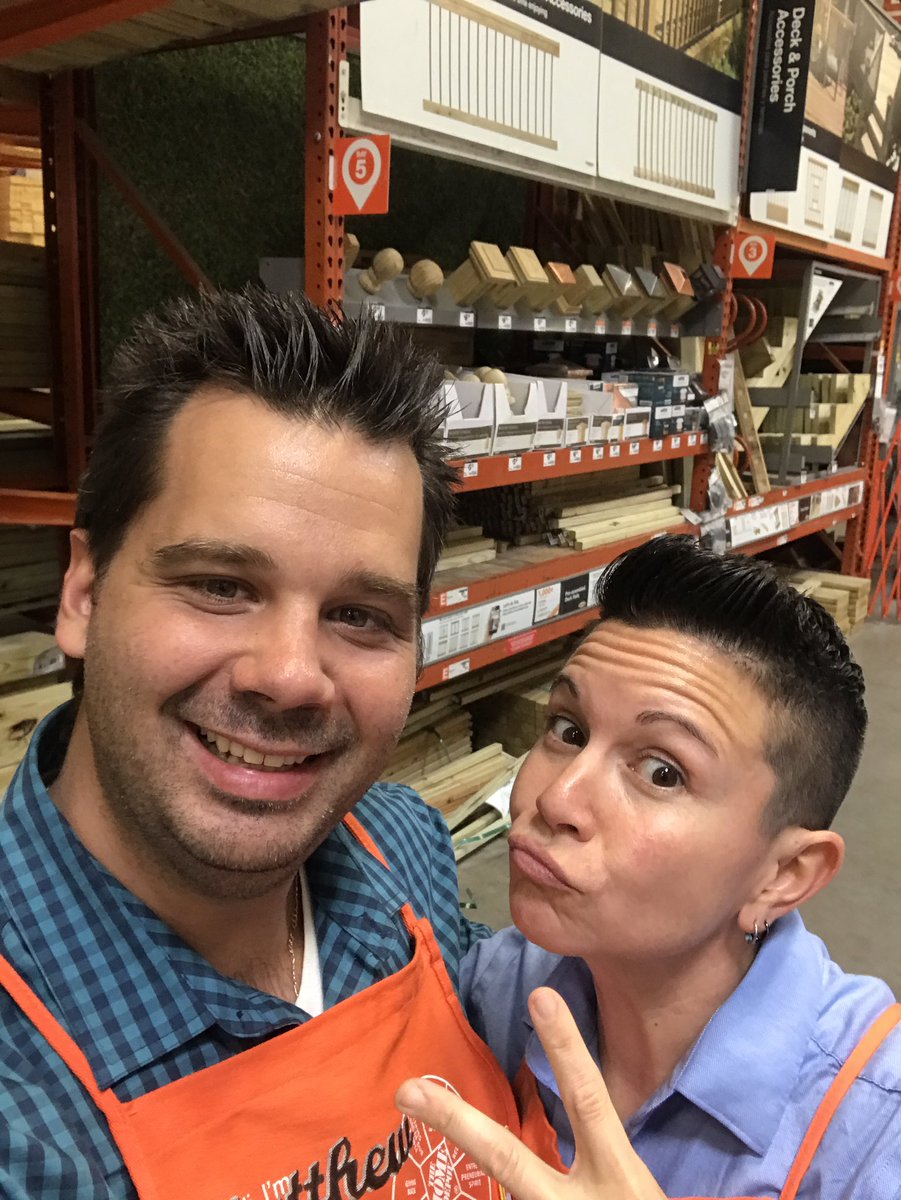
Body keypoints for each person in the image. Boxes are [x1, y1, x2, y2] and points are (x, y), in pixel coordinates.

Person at [0, 287, 520, 1200]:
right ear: (82, 593)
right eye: (219, 585)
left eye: (359, 616)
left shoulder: (399, 845)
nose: (288, 676)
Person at [396, 536, 901, 1200]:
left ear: (783, 876)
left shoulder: (871, 1124)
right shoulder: (499, 989)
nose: (555, 798)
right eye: (567, 730)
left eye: (661, 772)